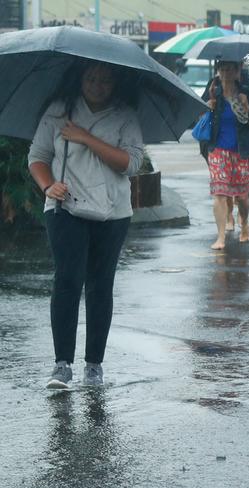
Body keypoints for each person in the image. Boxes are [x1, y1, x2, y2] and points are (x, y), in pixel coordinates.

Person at [27, 61, 144, 388]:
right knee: (67, 279)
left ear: (115, 83)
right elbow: (37, 155)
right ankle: (62, 364)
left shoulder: (126, 115)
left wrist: (84, 137)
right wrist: (48, 185)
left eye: (105, 80)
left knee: (100, 285)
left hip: (113, 212)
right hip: (65, 208)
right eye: (92, 78)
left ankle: (94, 366)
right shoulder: (59, 110)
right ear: (80, 78)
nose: (97, 84)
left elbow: (130, 164)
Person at [200, 60, 249, 250]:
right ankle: (220, 237)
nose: (225, 73)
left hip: (242, 150)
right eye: (222, 69)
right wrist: (208, 106)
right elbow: (200, 116)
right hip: (218, 150)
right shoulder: (214, 90)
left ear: (238, 71)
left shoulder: (246, 92)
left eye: (230, 69)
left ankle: (244, 224)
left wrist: (247, 108)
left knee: (243, 198)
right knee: (219, 194)